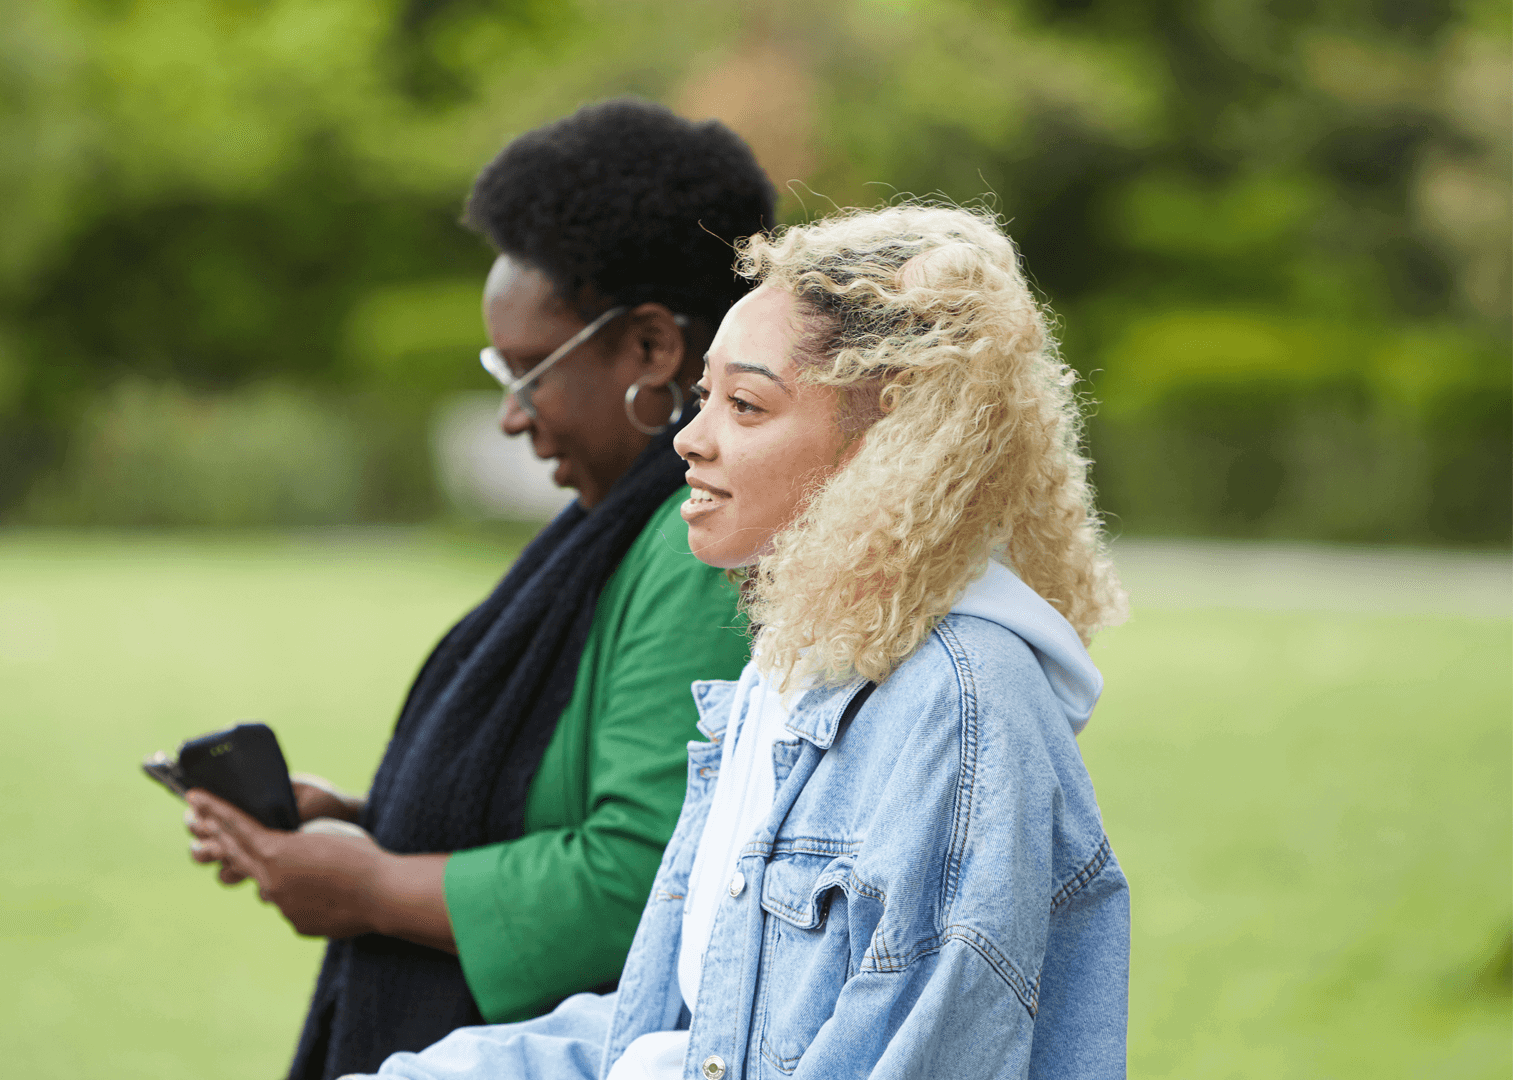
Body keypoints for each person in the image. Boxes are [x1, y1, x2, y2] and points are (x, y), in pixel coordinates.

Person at [342, 202, 1133, 1080]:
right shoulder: (794, 668)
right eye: (702, 396)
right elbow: (697, 1026)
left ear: (893, 438)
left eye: (747, 406)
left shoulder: (961, 707)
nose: (690, 437)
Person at [182, 99, 779, 1079]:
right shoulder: (609, 528)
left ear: (651, 350)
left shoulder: (693, 547)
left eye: (527, 371)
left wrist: (376, 887)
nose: (512, 416)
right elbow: (549, 796)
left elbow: (641, 881)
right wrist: (373, 825)